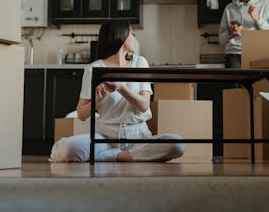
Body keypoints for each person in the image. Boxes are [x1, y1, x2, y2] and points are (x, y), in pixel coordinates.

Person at [50, 20, 185, 162]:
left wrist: (121, 87)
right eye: (131, 33)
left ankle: (113, 157)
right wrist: (97, 99)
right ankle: (126, 157)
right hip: (105, 137)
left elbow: (144, 105)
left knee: (177, 144)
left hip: (138, 136)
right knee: (68, 150)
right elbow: (81, 115)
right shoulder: (94, 68)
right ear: (120, 36)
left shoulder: (140, 63)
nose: (134, 38)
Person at [219, 0, 269, 69]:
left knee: (260, 84)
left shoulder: (267, 5)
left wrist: (258, 19)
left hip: (259, 54)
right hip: (234, 54)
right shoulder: (229, 8)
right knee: (236, 84)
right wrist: (230, 32)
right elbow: (221, 39)